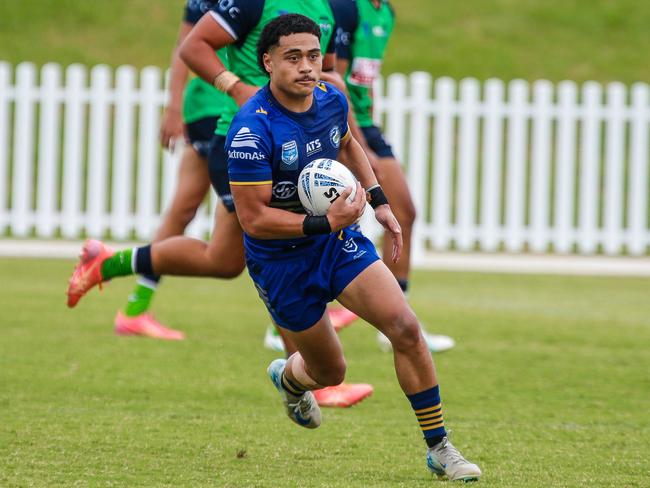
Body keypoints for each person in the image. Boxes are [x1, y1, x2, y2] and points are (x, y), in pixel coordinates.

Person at [66, 0, 371, 407]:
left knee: (224, 259)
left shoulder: (331, 8)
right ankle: (312, 376)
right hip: (242, 142)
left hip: (294, 139)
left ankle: (107, 262)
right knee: (273, 242)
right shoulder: (251, 3)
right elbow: (192, 44)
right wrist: (234, 87)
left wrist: (335, 93)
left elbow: (329, 69)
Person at [227, 14, 481, 480]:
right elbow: (254, 219)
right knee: (330, 372)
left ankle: (440, 447)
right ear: (267, 62)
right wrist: (325, 219)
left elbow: (346, 145)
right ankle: (288, 378)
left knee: (405, 327)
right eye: (293, 57)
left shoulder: (330, 98)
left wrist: (379, 201)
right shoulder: (250, 130)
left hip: (337, 242)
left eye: (313, 56)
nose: (307, 66)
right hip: (281, 263)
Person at [328, 0, 455, 353]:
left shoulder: (387, 13)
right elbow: (333, 79)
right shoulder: (345, 9)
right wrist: (354, 139)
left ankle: (397, 321)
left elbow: (366, 79)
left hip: (367, 125)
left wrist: (371, 126)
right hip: (343, 126)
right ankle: (289, 322)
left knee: (405, 213)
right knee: (331, 221)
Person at [113, 0, 230, 340]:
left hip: (224, 107)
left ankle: (135, 308)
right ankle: (287, 324)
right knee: (251, 220)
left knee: (183, 207)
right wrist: (174, 106)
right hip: (216, 108)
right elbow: (185, 46)